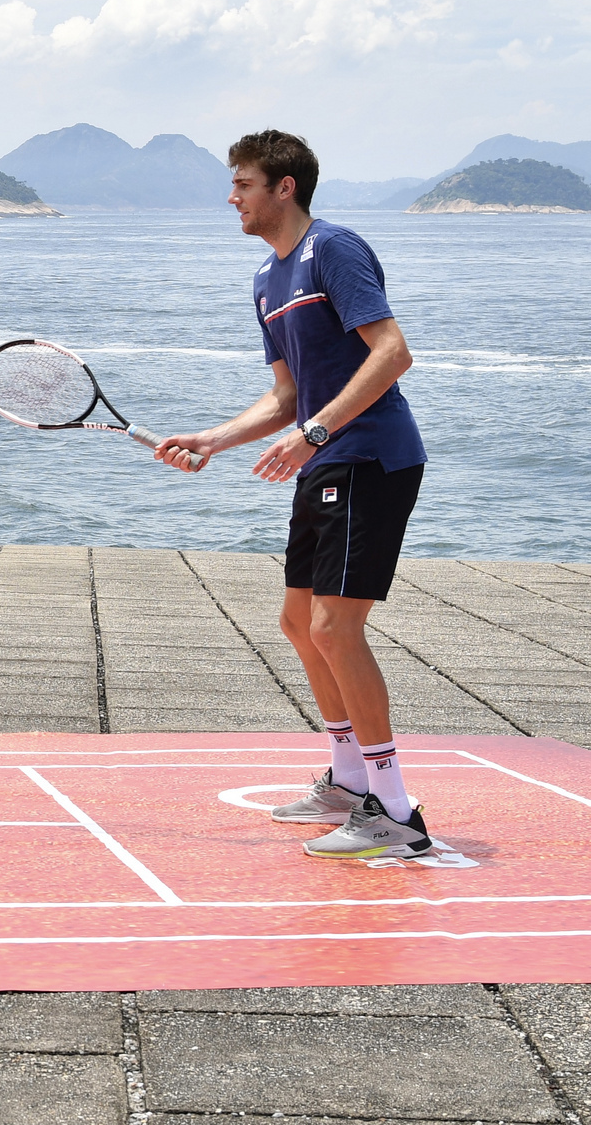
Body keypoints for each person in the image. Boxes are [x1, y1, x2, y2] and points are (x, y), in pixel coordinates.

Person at [156, 130, 431, 860]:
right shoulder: (265, 280)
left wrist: (314, 432)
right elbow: (286, 396)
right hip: (325, 460)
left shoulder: (332, 249)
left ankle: (395, 812)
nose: (232, 197)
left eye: (243, 183)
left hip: (370, 456)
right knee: (299, 624)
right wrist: (212, 439)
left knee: (336, 628)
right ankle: (347, 782)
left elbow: (392, 353)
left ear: (285, 187)